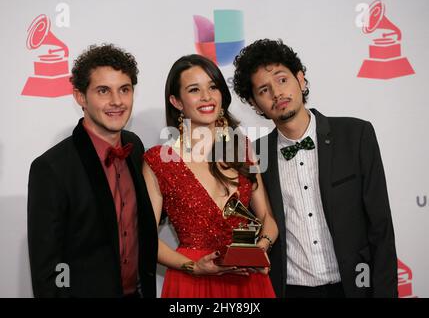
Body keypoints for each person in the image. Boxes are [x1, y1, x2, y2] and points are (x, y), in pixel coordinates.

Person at [232, 39, 398, 298]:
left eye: (282, 79)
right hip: (292, 290)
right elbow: (253, 222)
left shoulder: (355, 135)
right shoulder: (254, 155)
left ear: (301, 79)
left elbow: (381, 227)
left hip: (355, 286)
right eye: (264, 90)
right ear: (255, 105)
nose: (277, 93)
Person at [27, 44, 158, 298]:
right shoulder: (51, 168)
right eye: (103, 91)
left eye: (125, 89)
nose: (117, 101)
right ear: (80, 97)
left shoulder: (135, 146)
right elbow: (48, 271)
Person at [143, 54, 278, 298]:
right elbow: (146, 239)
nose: (207, 97)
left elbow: (267, 217)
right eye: (194, 89)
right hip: (191, 283)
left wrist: (262, 246)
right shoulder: (158, 160)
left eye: (213, 87)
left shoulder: (243, 149)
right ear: (176, 101)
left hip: (247, 281)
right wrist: (193, 267)